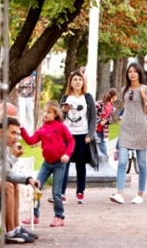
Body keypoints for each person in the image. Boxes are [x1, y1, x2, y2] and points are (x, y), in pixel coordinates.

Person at [0, 117, 41, 243]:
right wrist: (13, 157)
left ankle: (16, 228)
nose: (16, 137)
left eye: (18, 134)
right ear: (1, 132)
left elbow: (6, 173)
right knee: (7, 187)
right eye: (13, 133)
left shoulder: (3, 146)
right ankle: (10, 233)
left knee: (13, 185)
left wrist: (27, 179)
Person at [20, 101, 74, 228]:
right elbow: (30, 141)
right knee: (36, 187)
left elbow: (71, 141)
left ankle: (59, 216)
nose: (45, 114)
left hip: (59, 163)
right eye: (44, 112)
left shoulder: (60, 126)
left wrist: (67, 154)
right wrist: (22, 129)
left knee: (56, 191)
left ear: (55, 114)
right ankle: (35, 215)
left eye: (48, 112)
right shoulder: (42, 129)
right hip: (46, 163)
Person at [110, 63, 147, 205]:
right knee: (122, 161)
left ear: (139, 73)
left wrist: (144, 98)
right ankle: (120, 193)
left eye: (135, 71)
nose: (132, 74)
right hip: (126, 128)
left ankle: (140, 194)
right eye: (130, 72)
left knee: (141, 163)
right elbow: (127, 107)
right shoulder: (124, 90)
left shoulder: (145, 89)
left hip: (140, 128)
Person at [59, 70, 96, 204]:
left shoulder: (87, 97)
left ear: (83, 82)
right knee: (64, 163)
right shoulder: (65, 98)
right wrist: (63, 111)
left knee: (81, 164)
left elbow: (93, 117)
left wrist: (90, 134)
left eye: (80, 79)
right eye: (75, 79)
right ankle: (61, 193)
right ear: (70, 82)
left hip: (82, 134)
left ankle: (80, 192)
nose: (77, 82)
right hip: (67, 135)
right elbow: (59, 117)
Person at [95, 88, 118, 157]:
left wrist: (106, 121)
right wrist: (100, 121)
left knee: (102, 144)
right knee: (93, 144)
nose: (116, 98)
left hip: (103, 128)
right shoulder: (100, 104)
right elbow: (92, 114)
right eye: (115, 96)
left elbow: (109, 117)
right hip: (94, 127)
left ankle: (104, 159)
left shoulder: (112, 105)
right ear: (113, 96)